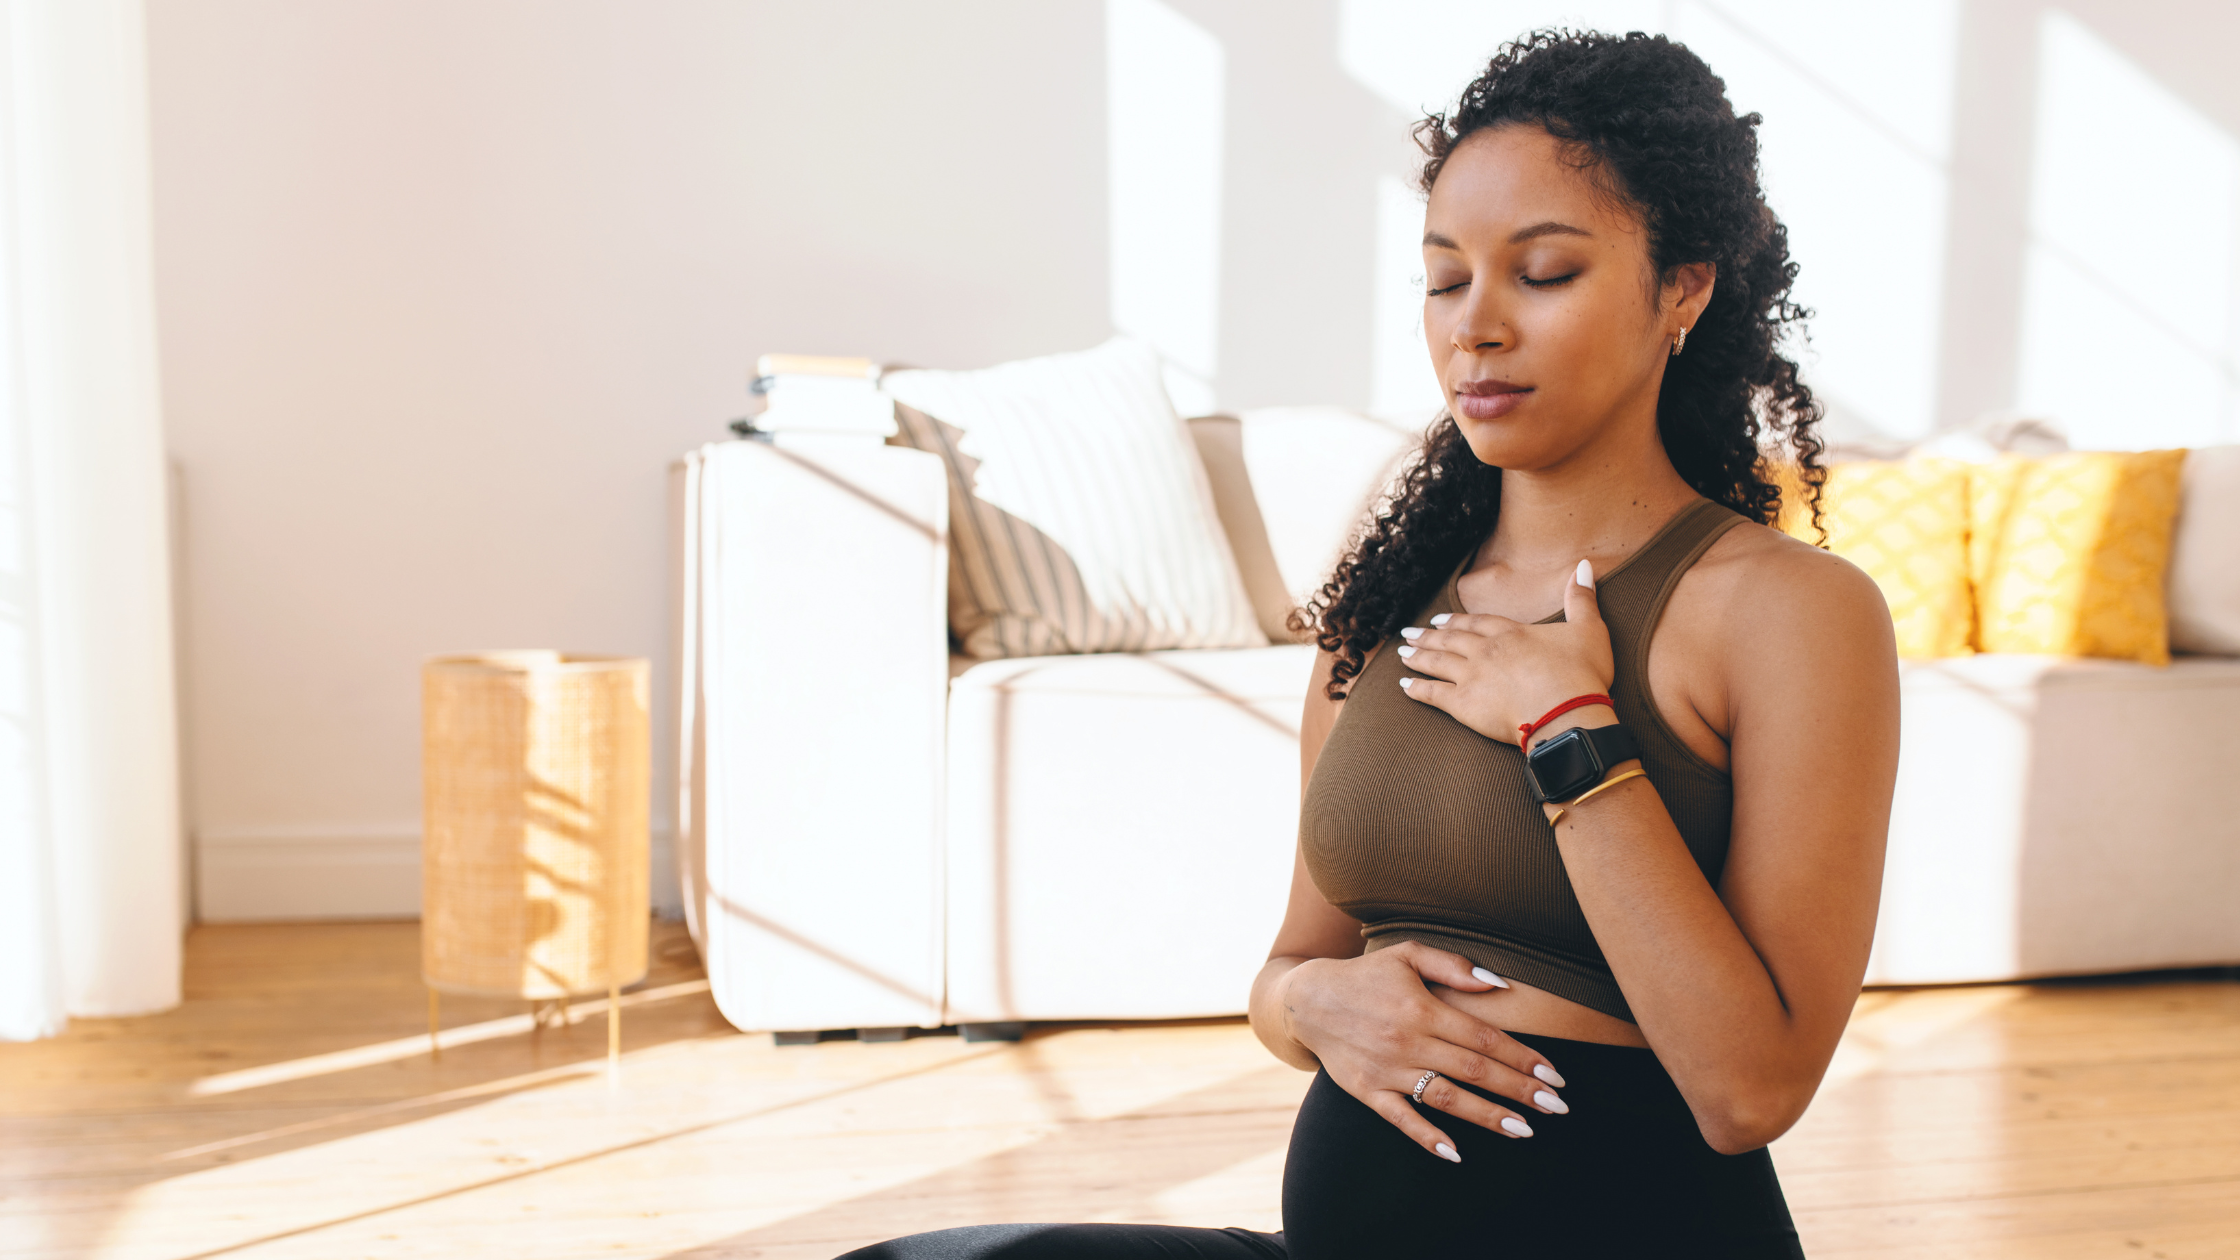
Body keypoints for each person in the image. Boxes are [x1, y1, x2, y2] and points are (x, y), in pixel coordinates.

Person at [842, 27, 1897, 1260]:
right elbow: (1289, 968)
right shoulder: (1390, 603)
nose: (1476, 327)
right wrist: (1312, 1005)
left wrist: (1567, 734)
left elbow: (1749, 1090)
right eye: (1445, 280)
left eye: (1542, 272)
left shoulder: (1784, 608)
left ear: (1683, 289)